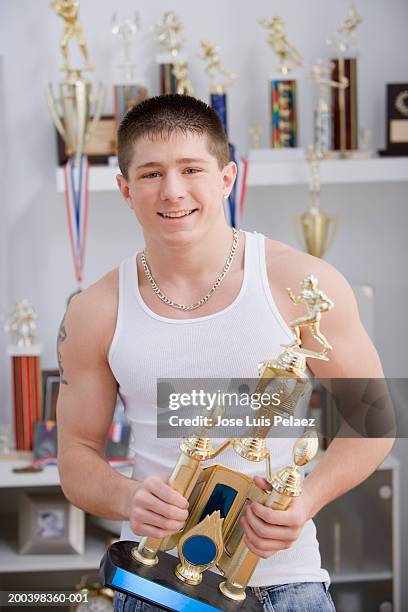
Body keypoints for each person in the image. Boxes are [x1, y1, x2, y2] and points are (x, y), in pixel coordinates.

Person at [56, 94, 393, 612]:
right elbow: (75, 455)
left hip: (288, 585)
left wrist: (303, 502)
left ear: (227, 178)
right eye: (150, 174)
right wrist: (128, 498)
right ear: (125, 189)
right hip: (154, 586)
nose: (172, 192)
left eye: (192, 169)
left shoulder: (300, 283)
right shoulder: (95, 310)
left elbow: (375, 417)